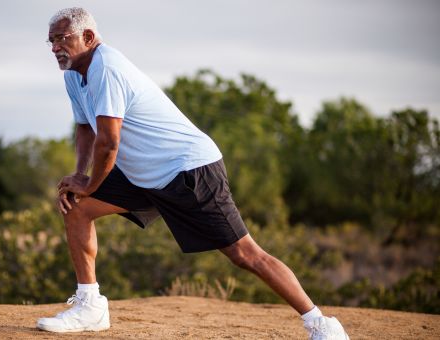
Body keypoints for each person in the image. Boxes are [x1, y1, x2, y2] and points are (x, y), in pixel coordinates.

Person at [36, 7, 350, 340]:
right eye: (51, 41)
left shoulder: (107, 68)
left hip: (188, 169)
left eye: (63, 39)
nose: (56, 47)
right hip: (141, 173)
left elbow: (109, 143)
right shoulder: (73, 73)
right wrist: (79, 176)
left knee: (245, 254)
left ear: (88, 37)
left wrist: (91, 183)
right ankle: (90, 307)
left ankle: (321, 325)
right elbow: (85, 128)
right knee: (78, 208)